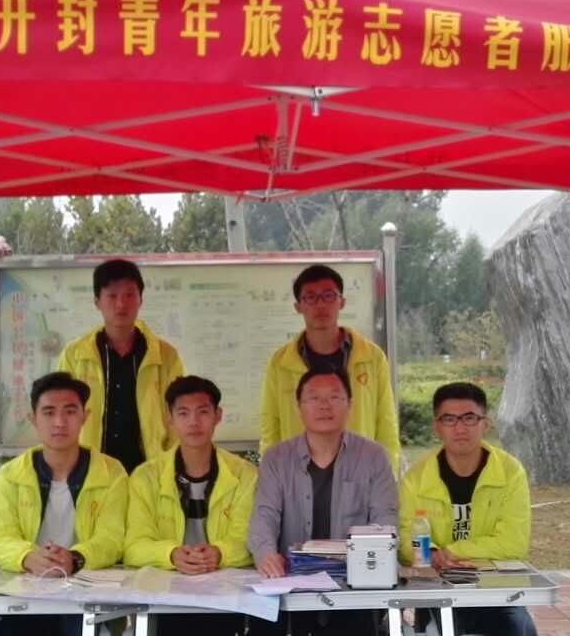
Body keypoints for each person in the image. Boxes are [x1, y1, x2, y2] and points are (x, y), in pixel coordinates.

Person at [0, 371, 129, 636]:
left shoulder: (111, 473)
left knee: (84, 627)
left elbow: (112, 539)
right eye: (49, 412)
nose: (59, 422)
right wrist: (29, 557)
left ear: (85, 417)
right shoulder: (11, 475)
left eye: (70, 411)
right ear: (33, 419)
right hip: (24, 585)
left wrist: (75, 558)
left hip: (85, 588)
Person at [248, 363, 398, 636]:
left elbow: (384, 520)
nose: (324, 405)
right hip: (290, 586)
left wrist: (369, 562)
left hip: (353, 586)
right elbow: (263, 515)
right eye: (314, 398)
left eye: (334, 397)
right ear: (299, 406)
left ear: (350, 404)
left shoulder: (373, 457)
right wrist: (265, 553)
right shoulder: (276, 459)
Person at [398, 382, 537, 636]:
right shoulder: (416, 478)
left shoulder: (510, 472)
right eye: (449, 419)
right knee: (441, 629)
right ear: (436, 427)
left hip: (496, 587)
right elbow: (405, 537)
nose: (460, 428)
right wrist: (431, 553)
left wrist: (451, 552)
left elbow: (513, 543)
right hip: (438, 587)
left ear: (486, 424)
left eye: (470, 418)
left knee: (518, 628)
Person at [125, 375, 257, 635]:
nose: (194, 422)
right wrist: (172, 554)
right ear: (169, 419)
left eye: (203, 412)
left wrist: (218, 553)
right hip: (163, 599)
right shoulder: (145, 476)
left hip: (226, 599)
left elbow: (250, 540)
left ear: (218, 415)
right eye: (183, 413)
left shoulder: (245, 475)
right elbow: (133, 546)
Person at [258, 264, 401, 469]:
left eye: (328, 295)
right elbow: (270, 428)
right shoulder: (280, 363)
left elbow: (386, 423)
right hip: (299, 475)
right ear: (298, 306)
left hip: (359, 472)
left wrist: (387, 476)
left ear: (342, 302)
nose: (320, 305)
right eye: (311, 297)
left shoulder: (372, 357)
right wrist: (271, 478)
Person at [57, 258, 185, 473]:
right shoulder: (74, 356)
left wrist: (168, 464)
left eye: (129, 295)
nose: (121, 304)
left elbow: (179, 415)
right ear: (97, 301)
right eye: (112, 296)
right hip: (90, 470)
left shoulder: (166, 356)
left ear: (140, 299)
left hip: (149, 470)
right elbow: (61, 414)